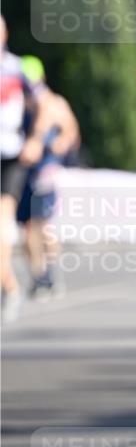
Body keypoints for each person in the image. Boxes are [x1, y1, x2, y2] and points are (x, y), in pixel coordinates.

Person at [16, 56, 80, 298]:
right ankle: (37, 274)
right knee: (26, 227)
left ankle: (51, 273)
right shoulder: (17, 103)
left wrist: (59, 147)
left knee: (42, 223)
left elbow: (71, 133)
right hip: (24, 169)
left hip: (45, 168)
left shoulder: (54, 102)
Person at [0, 17, 46, 319]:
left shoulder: (18, 68)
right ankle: (10, 285)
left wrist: (36, 139)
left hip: (12, 154)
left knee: (3, 217)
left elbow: (46, 105)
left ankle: (12, 287)